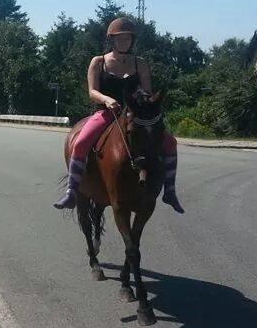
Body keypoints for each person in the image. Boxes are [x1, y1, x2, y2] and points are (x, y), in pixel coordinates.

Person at [54, 17, 184, 213]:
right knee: (81, 142)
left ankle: (170, 190)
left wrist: (148, 101)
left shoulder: (140, 64)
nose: (124, 42)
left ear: (132, 41)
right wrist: (106, 100)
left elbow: (147, 92)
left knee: (170, 142)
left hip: (135, 115)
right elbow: (92, 91)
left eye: (127, 39)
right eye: (120, 39)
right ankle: (72, 190)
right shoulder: (99, 62)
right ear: (111, 40)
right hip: (107, 112)